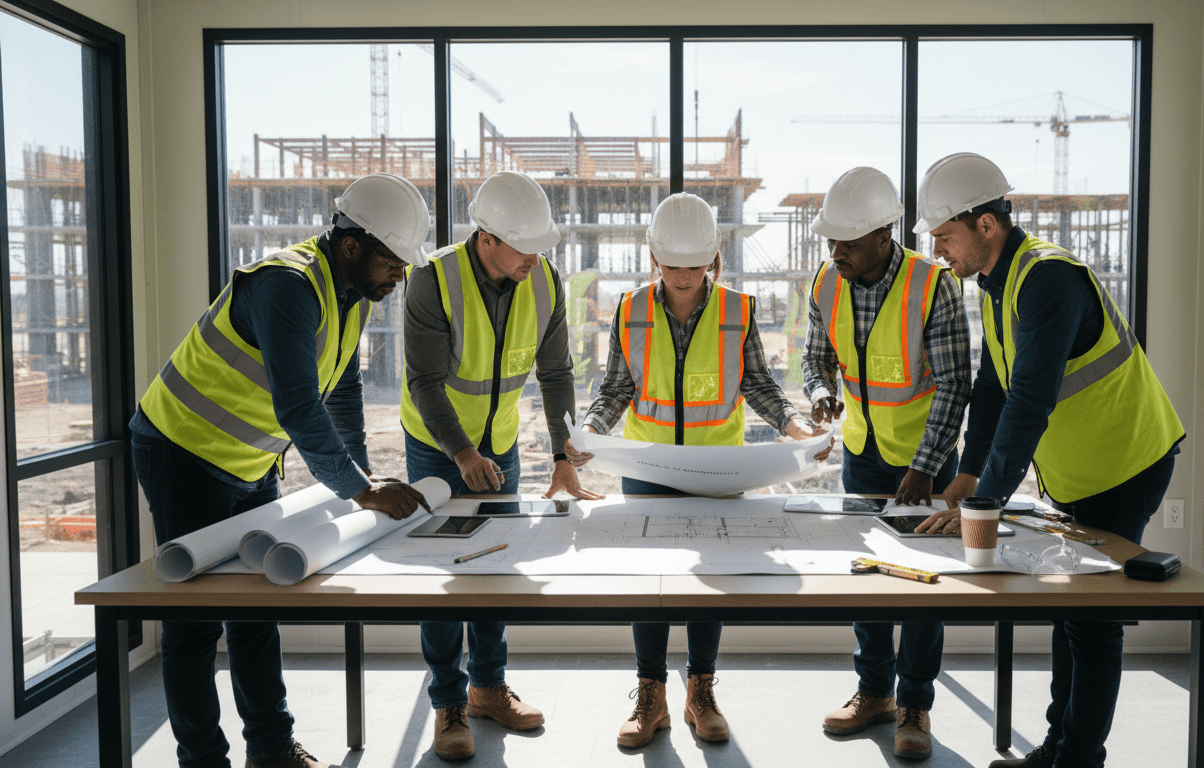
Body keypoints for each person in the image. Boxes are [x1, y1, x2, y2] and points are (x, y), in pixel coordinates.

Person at [130, 173, 432, 768]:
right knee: (194, 623)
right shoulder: (287, 286)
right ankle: (202, 761)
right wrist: (361, 490)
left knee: (255, 609)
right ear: (352, 245)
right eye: (393, 263)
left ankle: (270, 749)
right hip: (183, 450)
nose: (399, 276)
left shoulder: (349, 294)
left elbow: (341, 387)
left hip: (250, 459)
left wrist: (361, 479)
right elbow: (299, 407)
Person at [912, 152, 1184, 768]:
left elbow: (1030, 401)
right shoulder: (997, 283)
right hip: (1079, 471)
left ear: (985, 224)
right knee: (1070, 606)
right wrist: (969, 475)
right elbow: (993, 388)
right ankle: (1059, 747)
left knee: (1092, 620)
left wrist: (985, 505)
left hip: (1126, 462)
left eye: (945, 236)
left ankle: (1078, 759)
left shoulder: (1048, 279)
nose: (938, 251)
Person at [572, 192, 826, 749]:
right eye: (672, 266)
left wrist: (795, 428)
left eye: (695, 266)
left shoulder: (739, 310)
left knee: (714, 582)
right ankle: (651, 693)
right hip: (649, 465)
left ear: (713, 258)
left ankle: (701, 690)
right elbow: (616, 388)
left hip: (718, 469)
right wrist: (590, 431)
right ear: (654, 258)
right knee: (650, 585)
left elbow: (758, 384)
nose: (684, 278)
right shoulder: (630, 309)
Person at [401, 170, 604, 761]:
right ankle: (448, 702)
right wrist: (461, 452)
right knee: (444, 576)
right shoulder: (432, 280)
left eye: (541, 246)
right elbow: (425, 382)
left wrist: (564, 456)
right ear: (486, 238)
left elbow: (556, 374)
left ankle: (488, 687)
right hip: (437, 447)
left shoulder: (544, 279)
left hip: (501, 444)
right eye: (524, 247)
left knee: (496, 567)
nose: (535, 258)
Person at [802, 166, 973, 760]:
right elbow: (816, 357)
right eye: (831, 239)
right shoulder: (827, 281)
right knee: (867, 579)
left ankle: (915, 704)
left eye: (848, 241)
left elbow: (955, 383)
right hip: (862, 455)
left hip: (925, 460)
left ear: (884, 234)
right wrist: (821, 391)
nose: (836, 251)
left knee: (923, 586)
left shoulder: (933, 285)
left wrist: (925, 467)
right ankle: (874, 691)